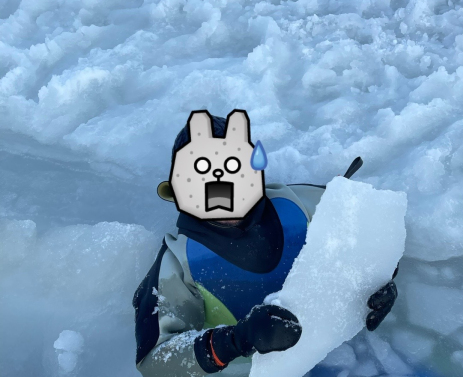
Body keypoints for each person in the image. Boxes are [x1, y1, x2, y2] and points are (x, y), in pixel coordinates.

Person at [132, 110, 399, 377]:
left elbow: (369, 231)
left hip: (343, 359)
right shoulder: (178, 262)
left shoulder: (298, 204)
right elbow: (155, 362)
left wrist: (378, 279)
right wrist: (235, 340)